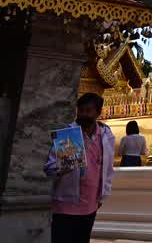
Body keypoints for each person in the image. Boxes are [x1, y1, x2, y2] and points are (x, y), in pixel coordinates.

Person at [44, 92, 116, 243]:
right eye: (81, 110)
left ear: (98, 112)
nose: (83, 114)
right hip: (65, 204)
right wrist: (64, 166)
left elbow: (108, 169)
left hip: (90, 205)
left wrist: (103, 194)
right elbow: (49, 169)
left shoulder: (106, 136)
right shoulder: (69, 135)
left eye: (88, 110)